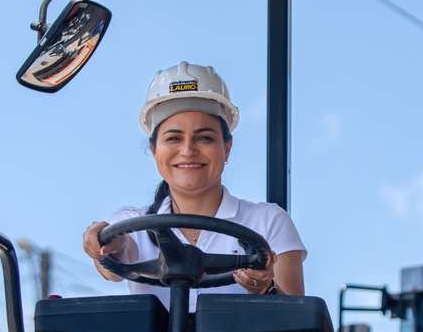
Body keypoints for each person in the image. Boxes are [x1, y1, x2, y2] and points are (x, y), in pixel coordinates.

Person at [83, 61, 306, 310]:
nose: (188, 150)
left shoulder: (267, 221)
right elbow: (115, 260)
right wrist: (108, 243)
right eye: (174, 138)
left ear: (227, 148)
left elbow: (297, 329)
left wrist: (267, 289)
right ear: (154, 150)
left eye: (205, 138)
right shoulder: (131, 224)